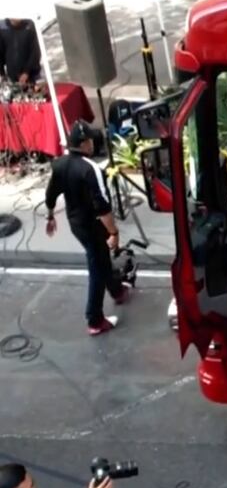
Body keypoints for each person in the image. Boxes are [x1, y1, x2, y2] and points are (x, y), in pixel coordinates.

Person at [44, 120, 130, 336]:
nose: (93, 143)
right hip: (93, 225)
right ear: (84, 144)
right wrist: (114, 233)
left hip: (77, 225)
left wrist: (50, 215)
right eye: (90, 139)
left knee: (101, 257)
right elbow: (103, 207)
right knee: (97, 266)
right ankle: (94, 319)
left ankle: (117, 290)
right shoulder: (91, 169)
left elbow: (51, 193)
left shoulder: (60, 164)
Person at [0, 19, 42, 88]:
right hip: (12, 74)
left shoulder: (29, 25)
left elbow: (35, 51)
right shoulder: (2, 27)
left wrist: (26, 72)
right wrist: (2, 73)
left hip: (31, 74)